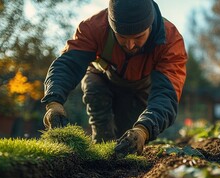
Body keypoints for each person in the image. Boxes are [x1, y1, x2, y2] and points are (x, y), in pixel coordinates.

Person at [42, 0, 187, 157]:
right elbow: (68, 64)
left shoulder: (170, 41)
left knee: (128, 140)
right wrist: (54, 102)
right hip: (102, 79)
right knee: (94, 92)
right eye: (122, 37)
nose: (130, 45)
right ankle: (100, 154)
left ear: (150, 26)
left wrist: (143, 130)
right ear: (112, 27)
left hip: (140, 91)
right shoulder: (95, 28)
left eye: (138, 37)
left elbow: (167, 94)